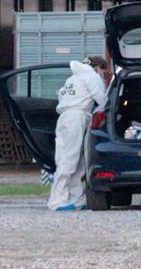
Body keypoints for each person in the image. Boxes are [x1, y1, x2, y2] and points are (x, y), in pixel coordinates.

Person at [47, 55, 111, 211]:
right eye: (103, 71)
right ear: (98, 68)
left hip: (67, 117)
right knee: (68, 159)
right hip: (76, 118)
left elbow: (62, 96)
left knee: (77, 161)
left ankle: (76, 198)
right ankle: (57, 200)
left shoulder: (73, 79)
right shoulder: (92, 77)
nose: (102, 74)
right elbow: (102, 100)